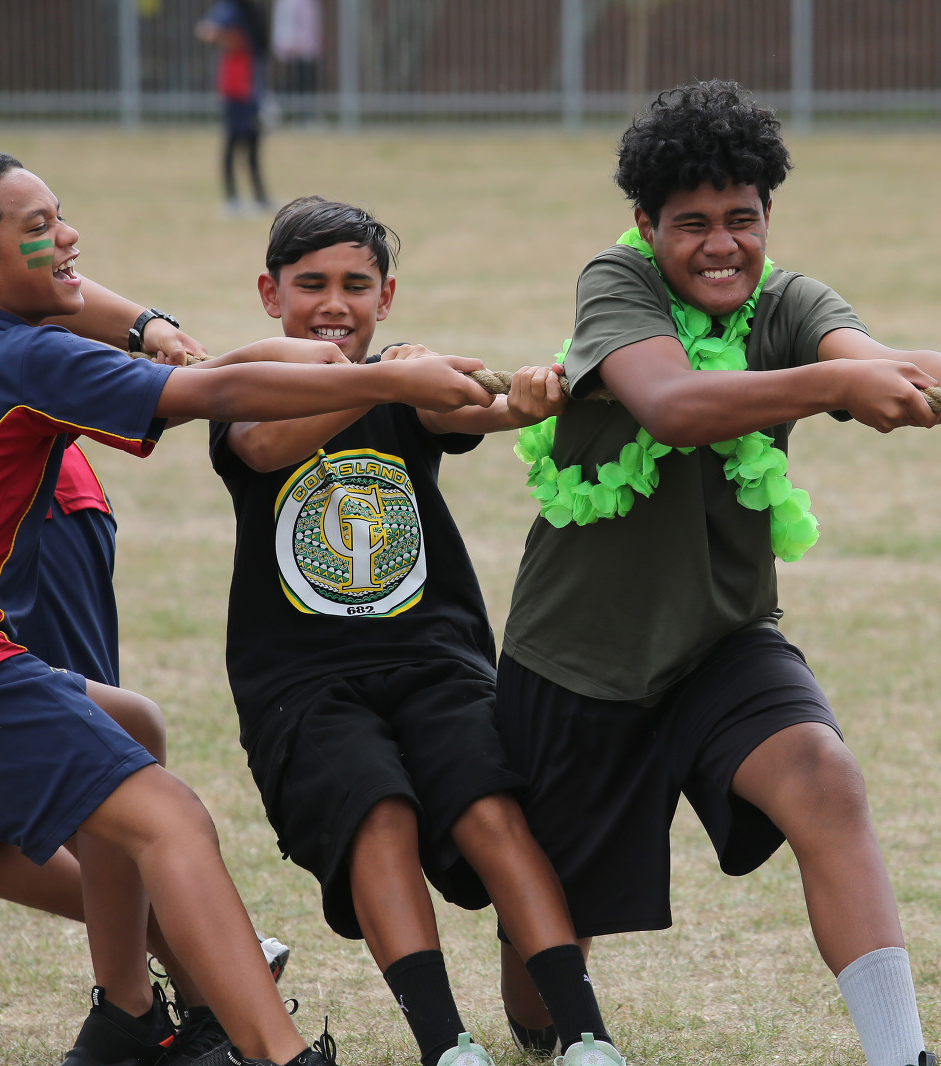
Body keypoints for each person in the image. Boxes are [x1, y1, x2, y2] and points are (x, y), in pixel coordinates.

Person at [0, 149, 502, 1064]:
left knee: (133, 724)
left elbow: (214, 371)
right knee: (170, 820)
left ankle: (128, 1015)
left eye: (61, 212)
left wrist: (275, 353)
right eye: (38, 228)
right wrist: (384, 380)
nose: (69, 236)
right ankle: (280, 1055)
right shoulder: (25, 357)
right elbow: (215, 394)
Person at [491, 80, 941, 1066]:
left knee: (824, 776)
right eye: (692, 224)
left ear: (768, 216)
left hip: (721, 640)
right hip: (580, 660)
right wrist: (836, 383)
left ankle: (902, 1057)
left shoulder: (788, 302)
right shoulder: (616, 285)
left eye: (741, 220)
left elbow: (890, 364)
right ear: (645, 226)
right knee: (538, 978)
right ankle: (548, 1028)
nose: (721, 245)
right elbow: (671, 405)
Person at [0, 158, 278, 1066]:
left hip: (20, 531)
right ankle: (177, 986)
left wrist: (145, 327)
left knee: (119, 781)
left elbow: (21, 266)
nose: (65, 232)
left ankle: (190, 995)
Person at [209, 196, 626, 1066]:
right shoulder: (248, 386)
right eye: (310, 284)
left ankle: (587, 1038)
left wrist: (532, 395)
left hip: (434, 659)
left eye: (356, 285)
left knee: (489, 807)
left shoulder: (412, 384)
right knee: (378, 813)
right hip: (302, 683)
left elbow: (480, 412)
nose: (334, 304)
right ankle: (448, 1047)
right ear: (270, 294)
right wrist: (385, 380)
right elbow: (262, 447)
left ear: (386, 297)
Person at [198, 0, 270, 216]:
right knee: (233, 141)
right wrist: (232, 40)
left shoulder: (249, 9)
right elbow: (206, 30)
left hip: (251, 86)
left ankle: (259, 197)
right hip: (237, 87)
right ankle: (232, 199)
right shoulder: (231, 8)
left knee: (254, 141)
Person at [270, 0, 321, 125]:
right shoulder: (289, 3)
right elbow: (287, 22)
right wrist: (288, 44)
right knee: (292, 82)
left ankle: (304, 115)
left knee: (306, 82)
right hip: (293, 48)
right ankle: (279, 111)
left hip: (306, 48)